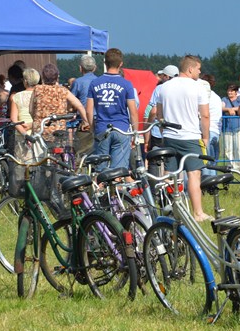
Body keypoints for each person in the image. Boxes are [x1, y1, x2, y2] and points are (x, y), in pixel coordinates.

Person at [149, 55, 212, 221]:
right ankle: (198, 212)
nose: (199, 72)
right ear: (190, 69)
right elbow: (205, 115)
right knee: (194, 174)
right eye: (198, 68)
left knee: (171, 174)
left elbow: (159, 115)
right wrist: (205, 137)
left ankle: (170, 209)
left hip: (169, 136)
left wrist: (164, 132)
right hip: (190, 136)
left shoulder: (164, 87)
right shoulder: (198, 87)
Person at [86, 48, 140, 172]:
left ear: (105, 63)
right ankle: (116, 190)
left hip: (102, 128)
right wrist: (135, 133)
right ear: (121, 64)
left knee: (101, 170)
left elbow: (89, 111)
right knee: (118, 171)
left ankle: (101, 190)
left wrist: (93, 128)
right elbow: (133, 112)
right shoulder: (126, 84)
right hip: (121, 128)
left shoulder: (94, 83)